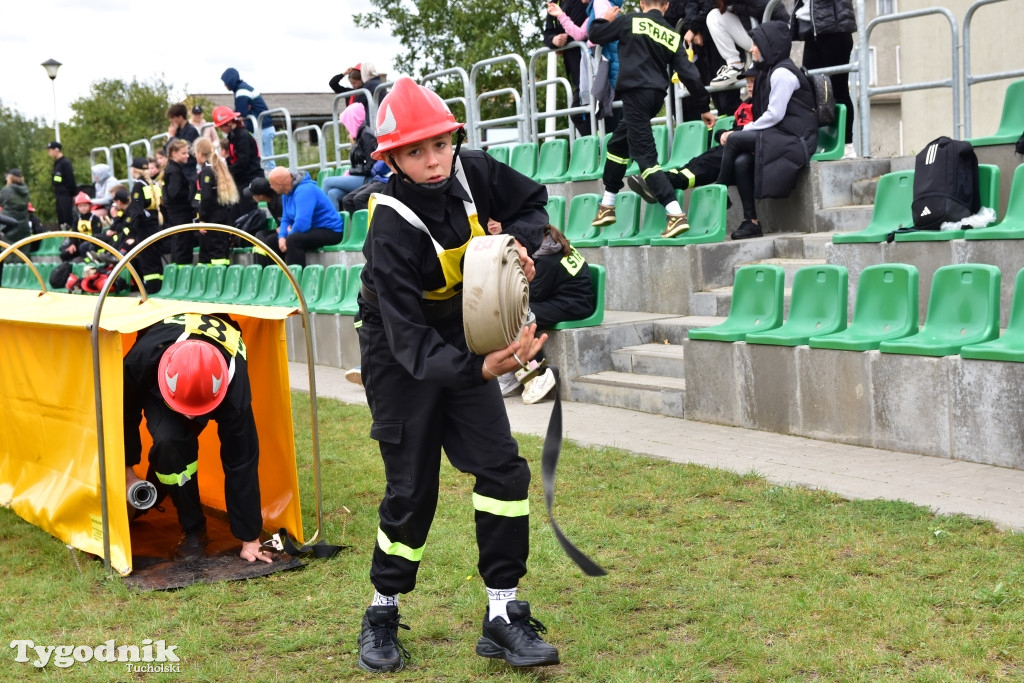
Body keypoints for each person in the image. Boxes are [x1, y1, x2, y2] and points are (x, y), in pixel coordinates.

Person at [354, 76, 557, 674]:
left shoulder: (473, 170)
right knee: (412, 492)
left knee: (502, 470)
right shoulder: (387, 228)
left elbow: (532, 203)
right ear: (391, 158)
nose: (434, 160)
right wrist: (482, 367)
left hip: (460, 338)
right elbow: (409, 341)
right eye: (416, 151)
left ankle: (502, 614)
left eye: (440, 144)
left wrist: (519, 242)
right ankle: (382, 611)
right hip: (398, 355)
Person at [123, 312, 273, 564]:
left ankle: (162, 478)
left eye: (197, 412)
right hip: (161, 367)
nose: (191, 418)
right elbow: (123, 412)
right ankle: (193, 528)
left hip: (215, 378)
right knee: (169, 441)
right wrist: (126, 471)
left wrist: (250, 538)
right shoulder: (141, 359)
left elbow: (241, 461)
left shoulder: (235, 385)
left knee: (180, 444)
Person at [589, 0, 715, 239]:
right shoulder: (671, 33)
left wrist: (605, 18)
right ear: (666, 6)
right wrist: (703, 107)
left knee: (645, 158)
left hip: (635, 95)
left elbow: (595, 34)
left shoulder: (630, 21)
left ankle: (674, 213)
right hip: (655, 98)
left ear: (640, 3)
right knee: (617, 145)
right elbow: (689, 74)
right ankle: (607, 204)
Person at [716, 20, 818, 239]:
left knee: (734, 140)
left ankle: (719, 190)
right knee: (741, 162)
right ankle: (751, 221)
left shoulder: (782, 73)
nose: (752, 49)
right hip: (782, 135)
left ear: (769, 46)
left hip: (796, 139)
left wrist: (744, 130)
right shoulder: (771, 71)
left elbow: (774, 115)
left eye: (756, 44)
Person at [628, 66, 756, 200]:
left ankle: (661, 184)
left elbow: (755, 131)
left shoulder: (763, 106)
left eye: (753, 82)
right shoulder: (744, 105)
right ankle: (661, 180)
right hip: (730, 148)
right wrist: (723, 134)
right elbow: (734, 130)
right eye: (748, 82)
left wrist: (732, 135)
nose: (749, 86)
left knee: (704, 165)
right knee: (696, 162)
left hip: (743, 154)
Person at [792, 0, 856, 158]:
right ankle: (817, 144)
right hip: (813, 32)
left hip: (835, 30)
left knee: (838, 89)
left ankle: (847, 145)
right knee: (810, 91)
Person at [267, 166, 343, 266]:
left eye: (272, 184)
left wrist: (288, 235)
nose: (270, 187)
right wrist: (281, 237)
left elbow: (302, 223)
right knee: (272, 241)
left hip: (330, 230)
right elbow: (286, 219)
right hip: (311, 230)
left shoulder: (305, 190)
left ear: (280, 184)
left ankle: (295, 278)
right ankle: (278, 277)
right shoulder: (286, 193)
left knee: (293, 240)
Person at [706, 0, 789, 87]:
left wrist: (735, 8)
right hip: (755, 33)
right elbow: (710, 5)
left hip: (776, 34)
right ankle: (735, 66)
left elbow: (765, 7)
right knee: (714, 15)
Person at [542, 0, 594, 137]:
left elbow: (582, 30)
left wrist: (567, 39)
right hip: (577, 69)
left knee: (584, 111)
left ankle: (602, 145)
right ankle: (599, 146)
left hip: (592, 62)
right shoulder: (555, 3)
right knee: (580, 112)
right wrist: (555, 40)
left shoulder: (583, 2)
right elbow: (548, 34)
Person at [192, 138, 239, 266]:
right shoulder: (217, 167)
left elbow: (206, 197)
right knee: (216, 255)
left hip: (212, 219)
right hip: (222, 217)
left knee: (214, 255)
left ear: (200, 153)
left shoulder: (207, 171)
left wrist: (202, 218)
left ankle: (218, 282)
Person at [322, 104, 377, 211]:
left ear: (352, 121)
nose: (346, 127)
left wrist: (351, 171)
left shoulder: (366, 135)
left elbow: (370, 167)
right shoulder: (360, 136)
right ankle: (335, 226)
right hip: (363, 177)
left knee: (327, 182)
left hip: (370, 179)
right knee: (333, 194)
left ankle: (320, 219)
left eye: (346, 123)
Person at [221, 68, 276, 171]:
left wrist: (245, 111)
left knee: (267, 163)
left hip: (262, 128)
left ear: (230, 81)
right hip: (263, 127)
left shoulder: (241, 91)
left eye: (225, 82)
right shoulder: (243, 88)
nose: (225, 85)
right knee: (267, 161)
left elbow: (240, 112)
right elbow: (243, 111)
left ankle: (273, 184)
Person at [212, 105, 263, 216]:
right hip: (240, 179)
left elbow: (243, 162)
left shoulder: (242, 136)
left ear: (229, 123)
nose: (220, 129)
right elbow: (233, 158)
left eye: (221, 126)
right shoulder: (233, 136)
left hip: (249, 179)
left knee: (246, 213)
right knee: (235, 213)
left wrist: (226, 171)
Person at [126, 157, 165, 293]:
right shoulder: (153, 184)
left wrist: (133, 229)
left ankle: (151, 290)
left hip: (145, 228)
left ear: (134, 170)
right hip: (155, 225)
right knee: (156, 260)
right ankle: (160, 288)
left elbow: (136, 211)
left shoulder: (138, 186)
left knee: (148, 261)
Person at [163, 139, 199, 265]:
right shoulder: (174, 171)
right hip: (180, 215)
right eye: (184, 153)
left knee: (179, 246)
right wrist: (190, 191)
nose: (187, 155)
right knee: (182, 248)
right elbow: (174, 193)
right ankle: (182, 275)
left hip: (177, 215)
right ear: (174, 153)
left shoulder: (173, 169)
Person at [47, 141, 76, 229]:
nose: (49, 153)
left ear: (56, 150)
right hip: (59, 195)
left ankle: (71, 238)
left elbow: (71, 179)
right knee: (61, 219)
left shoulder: (65, 163)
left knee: (67, 218)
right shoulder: (57, 163)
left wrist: (73, 194)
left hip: (65, 195)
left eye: (50, 150)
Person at [0, 168, 32, 244]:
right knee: (22, 254)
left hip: (8, 228)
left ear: (10, 178)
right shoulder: (26, 190)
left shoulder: (7, 190)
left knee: (7, 253)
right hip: (24, 229)